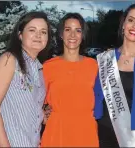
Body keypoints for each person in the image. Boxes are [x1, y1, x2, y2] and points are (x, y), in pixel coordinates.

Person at [94, 2, 135, 148]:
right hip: (103, 135)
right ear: (123, 24)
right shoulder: (104, 59)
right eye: (131, 20)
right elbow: (91, 95)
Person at [0, 11, 51, 147]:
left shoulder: (39, 70)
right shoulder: (9, 60)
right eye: (32, 30)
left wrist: (44, 115)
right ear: (20, 35)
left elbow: (26, 106)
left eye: (43, 32)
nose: (38, 35)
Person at [40, 13, 98, 147]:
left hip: (86, 133)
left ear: (83, 35)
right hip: (56, 133)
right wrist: (41, 114)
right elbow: (35, 101)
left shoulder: (94, 66)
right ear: (61, 34)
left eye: (78, 30)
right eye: (68, 30)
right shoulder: (48, 66)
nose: (73, 35)